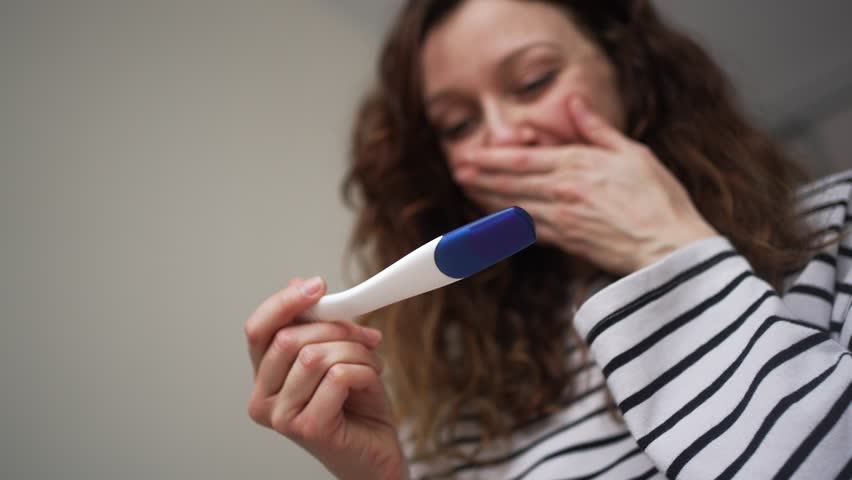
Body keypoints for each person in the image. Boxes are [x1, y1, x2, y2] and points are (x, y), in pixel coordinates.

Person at [244, 0, 852, 478]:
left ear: (630, 72)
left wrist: (667, 249)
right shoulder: (466, 402)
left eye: (534, 81)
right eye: (458, 124)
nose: (503, 136)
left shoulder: (837, 227)